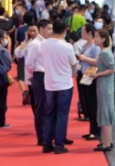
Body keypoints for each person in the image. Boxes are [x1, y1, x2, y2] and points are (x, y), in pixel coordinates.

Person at [40, 18, 77, 155]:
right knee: (62, 115)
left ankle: (47, 143)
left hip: (49, 84)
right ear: (65, 30)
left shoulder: (44, 44)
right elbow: (74, 63)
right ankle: (59, 144)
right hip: (64, 84)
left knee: (50, 114)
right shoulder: (67, 46)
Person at [90, 29, 115, 152]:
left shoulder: (105, 52)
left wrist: (97, 74)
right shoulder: (104, 51)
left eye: (96, 37)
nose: (95, 39)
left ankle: (106, 144)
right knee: (106, 112)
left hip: (105, 85)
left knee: (105, 112)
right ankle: (108, 141)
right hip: (105, 84)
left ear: (103, 39)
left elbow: (112, 69)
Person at [75, 24, 101, 139]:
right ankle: (91, 130)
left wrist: (84, 58)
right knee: (86, 102)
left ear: (89, 32)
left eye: (83, 31)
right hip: (83, 74)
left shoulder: (95, 46)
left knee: (92, 104)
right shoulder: (84, 45)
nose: (81, 33)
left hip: (91, 75)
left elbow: (97, 61)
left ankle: (96, 131)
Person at [0, 30, 13, 128]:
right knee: (2, 101)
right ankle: (1, 122)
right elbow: (10, 61)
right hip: (2, 78)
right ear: (1, 39)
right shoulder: (5, 51)